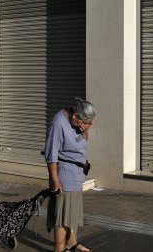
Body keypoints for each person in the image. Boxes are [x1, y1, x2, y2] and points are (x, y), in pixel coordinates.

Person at [44, 97, 96, 252]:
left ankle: (71, 244)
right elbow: (51, 155)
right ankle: (59, 248)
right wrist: (55, 180)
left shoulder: (77, 124)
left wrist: (84, 130)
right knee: (62, 217)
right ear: (75, 116)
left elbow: (82, 141)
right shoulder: (57, 124)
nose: (89, 125)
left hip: (76, 175)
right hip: (64, 177)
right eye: (86, 122)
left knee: (71, 213)